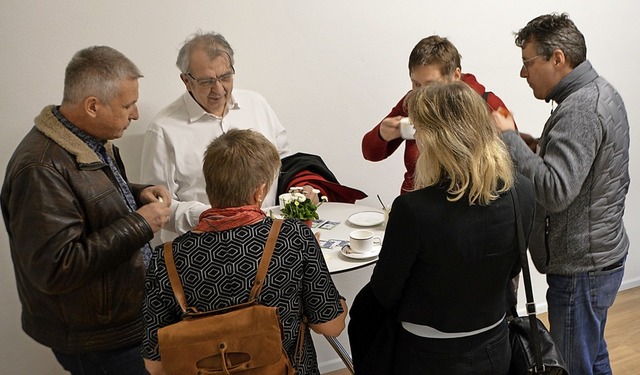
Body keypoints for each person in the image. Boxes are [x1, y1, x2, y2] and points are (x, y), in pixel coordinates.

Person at [0, 46, 171, 374]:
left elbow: (85, 200)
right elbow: (57, 267)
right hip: (100, 341)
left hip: (122, 324)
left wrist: (136, 195)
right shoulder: (39, 169)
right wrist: (140, 224)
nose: (135, 114)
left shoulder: (87, 140)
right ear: (93, 106)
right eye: (127, 105)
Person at [352, 82, 535, 374]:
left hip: (428, 354)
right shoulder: (522, 193)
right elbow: (512, 269)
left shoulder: (413, 209)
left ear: (435, 140)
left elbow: (386, 292)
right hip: (495, 345)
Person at [142, 128, 348, 374]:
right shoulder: (293, 237)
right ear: (259, 192)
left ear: (210, 186)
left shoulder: (166, 257)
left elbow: (155, 364)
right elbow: (330, 326)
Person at [493, 13, 630, 375]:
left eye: (527, 63)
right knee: (593, 357)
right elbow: (584, 168)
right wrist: (538, 146)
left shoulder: (581, 109)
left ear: (557, 58)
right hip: (598, 257)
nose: (523, 74)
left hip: (581, 268)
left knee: (572, 365)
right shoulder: (599, 93)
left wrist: (508, 137)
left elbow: (556, 191)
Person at [141, 31, 365, 242]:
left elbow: (283, 163)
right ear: (186, 80)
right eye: (207, 81)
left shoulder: (256, 104)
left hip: (268, 246)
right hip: (201, 252)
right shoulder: (163, 129)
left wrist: (301, 189)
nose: (218, 89)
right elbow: (159, 206)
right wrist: (214, 216)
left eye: (225, 77)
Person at [362, 35, 527, 195]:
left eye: (430, 85)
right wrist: (382, 134)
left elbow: (515, 158)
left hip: (465, 207)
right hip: (414, 205)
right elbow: (369, 152)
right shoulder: (410, 102)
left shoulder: (489, 102)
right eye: (416, 84)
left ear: (455, 75)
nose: (421, 93)